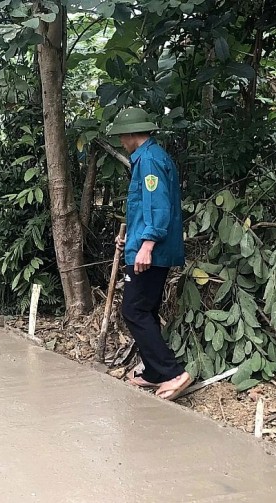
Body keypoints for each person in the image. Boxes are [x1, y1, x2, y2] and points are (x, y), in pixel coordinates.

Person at [109, 107, 191, 401]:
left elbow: (157, 205)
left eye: (122, 136)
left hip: (152, 252)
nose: (121, 141)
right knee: (147, 309)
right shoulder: (149, 158)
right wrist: (132, 239)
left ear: (132, 134)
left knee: (134, 310)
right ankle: (155, 372)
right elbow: (143, 208)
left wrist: (146, 245)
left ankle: (172, 372)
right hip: (148, 247)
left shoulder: (151, 161)